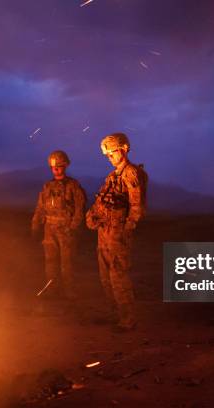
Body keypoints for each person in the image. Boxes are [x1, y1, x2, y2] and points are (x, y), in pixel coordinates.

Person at [86, 132, 147, 332]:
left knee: (118, 276)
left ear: (123, 149)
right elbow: (101, 201)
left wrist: (127, 229)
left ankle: (128, 319)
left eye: (112, 153)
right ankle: (116, 315)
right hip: (105, 232)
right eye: (108, 155)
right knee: (105, 277)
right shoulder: (112, 176)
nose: (110, 158)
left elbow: (137, 206)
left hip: (118, 233)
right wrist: (93, 215)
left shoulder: (131, 173)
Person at [32, 150, 86, 300]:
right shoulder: (47, 187)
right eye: (53, 167)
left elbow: (79, 209)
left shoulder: (73, 186)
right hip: (49, 230)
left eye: (59, 166)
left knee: (67, 264)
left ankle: (69, 292)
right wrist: (35, 225)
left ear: (65, 166)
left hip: (66, 230)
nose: (56, 169)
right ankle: (52, 291)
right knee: (50, 263)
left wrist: (73, 228)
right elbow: (40, 207)